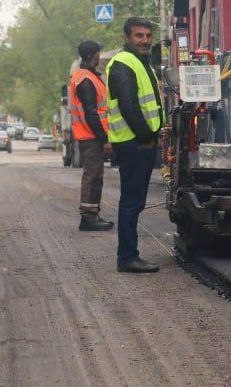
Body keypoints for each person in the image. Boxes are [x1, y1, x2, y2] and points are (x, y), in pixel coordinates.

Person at [105, 16, 164, 273]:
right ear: (127, 38)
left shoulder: (141, 62)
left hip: (138, 142)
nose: (145, 40)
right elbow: (129, 107)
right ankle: (127, 257)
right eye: (139, 36)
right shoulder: (123, 64)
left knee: (135, 200)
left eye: (148, 36)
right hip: (133, 143)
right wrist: (146, 137)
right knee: (131, 201)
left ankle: (128, 256)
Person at [70, 40, 113, 232]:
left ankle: (92, 215)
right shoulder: (85, 79)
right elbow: (91, 113)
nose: (98, 56)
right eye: (97, 53)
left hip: (91, 136)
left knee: (96, 176)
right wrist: (104, 140)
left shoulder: (89, 77)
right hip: (91, 137)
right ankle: (88, 218)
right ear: (91, 55)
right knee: (92, 175)